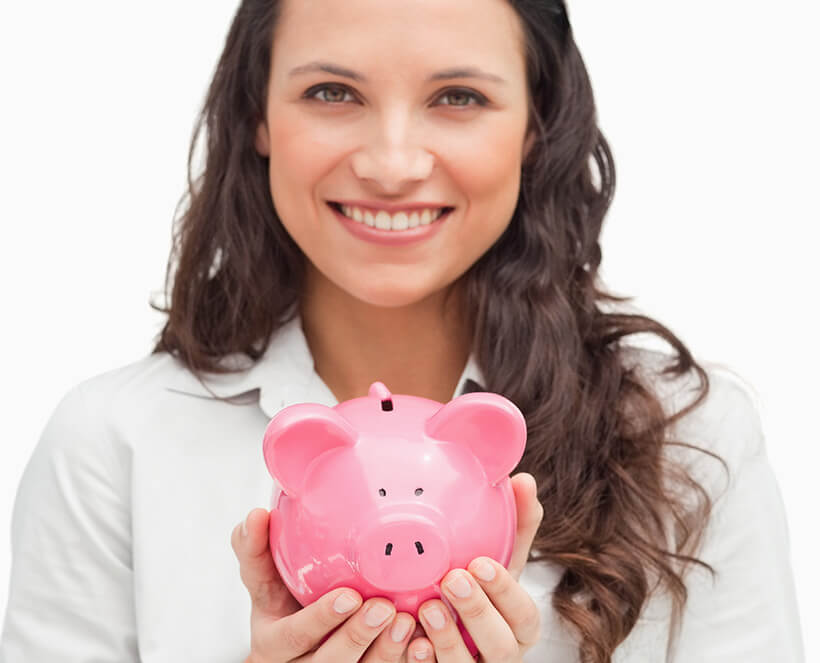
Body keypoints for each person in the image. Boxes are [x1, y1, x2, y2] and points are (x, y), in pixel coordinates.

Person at [0, 0, 805, 661]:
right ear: (258, 117)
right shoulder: (113, 442)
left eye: (458, 97)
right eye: (332, 93)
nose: (392, 162)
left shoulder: (691, 439)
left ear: (536, 125)